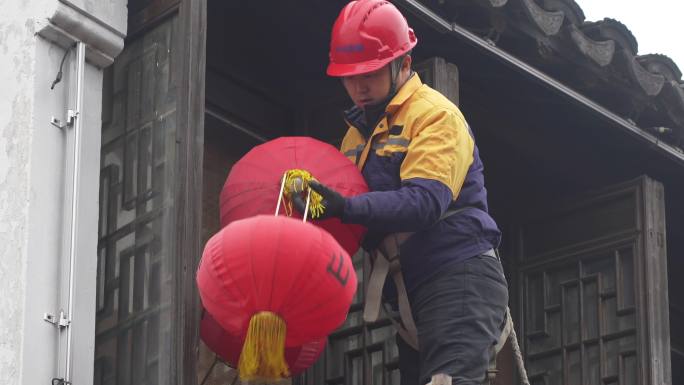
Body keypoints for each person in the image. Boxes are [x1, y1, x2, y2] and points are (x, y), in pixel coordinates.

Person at [294, 1, 509, 384]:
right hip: (406, 293)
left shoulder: (435, 116)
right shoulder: (354, 138)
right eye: (348, 76)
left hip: (457, 275)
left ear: (404, 64)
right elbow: (352, 221)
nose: (358, 86)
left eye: (371, 73)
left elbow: (424, 202)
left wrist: (342, 205)